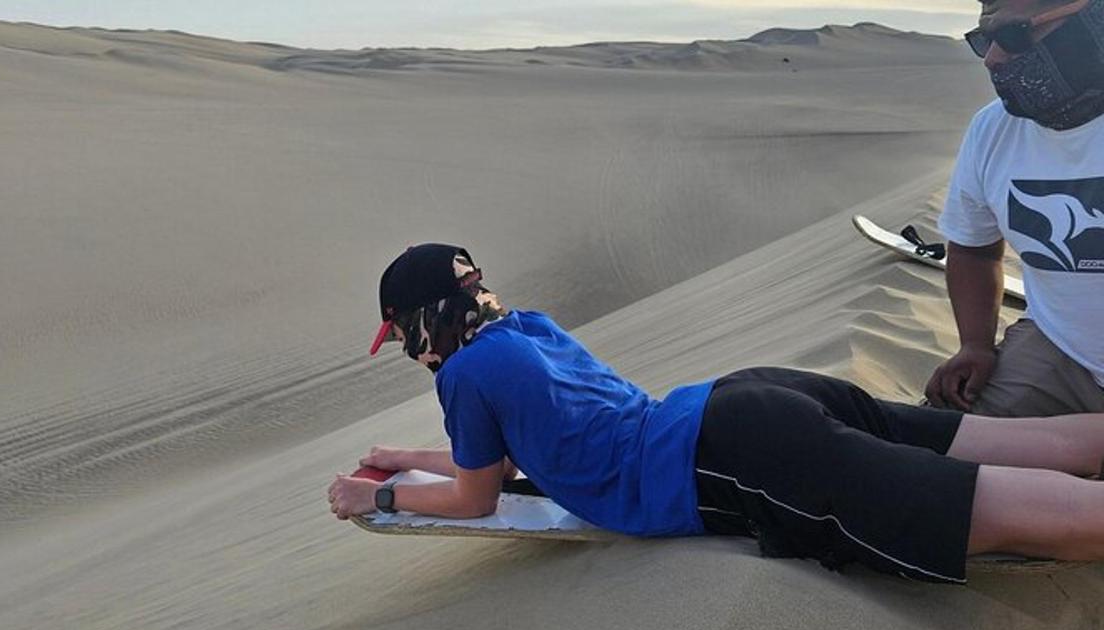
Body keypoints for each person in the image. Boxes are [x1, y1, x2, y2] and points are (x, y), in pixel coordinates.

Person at [328, 244, 1104, 584]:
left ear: (423, 320)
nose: (405, 346)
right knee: (1036, 445)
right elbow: (501, 462)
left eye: (399, 332)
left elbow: (479, 497)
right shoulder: (524, 331)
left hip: (730, 461)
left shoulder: (465, 375)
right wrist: (410, 457)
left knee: (994, 511)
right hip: (743, 400)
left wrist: (380, 497)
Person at [926, 0, 1104, 415]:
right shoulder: (992, 131)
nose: (992, 59)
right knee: (933, 450)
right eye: (984, 40)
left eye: (1013, 35)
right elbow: (974, 248)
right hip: (1062, 351)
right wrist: (975, 343)